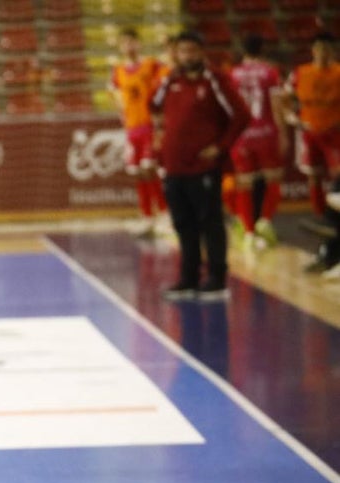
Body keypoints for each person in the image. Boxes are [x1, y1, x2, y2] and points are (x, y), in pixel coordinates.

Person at [151, 29, 250, 301]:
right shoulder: (171, 80)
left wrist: (220, 147)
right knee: (183, 224)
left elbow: (242, 115)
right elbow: (153, 104)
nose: (187, 56)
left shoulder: (215, 79)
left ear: (202, 52)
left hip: (203, 167)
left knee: (210, 222)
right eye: (182, 51)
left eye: (192, 51)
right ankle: (188, 278)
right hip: (174, 167)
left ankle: (217, 279)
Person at [284, 32, 340, 271]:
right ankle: (321, 218)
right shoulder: (301, 72)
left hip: (335, 133)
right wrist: (291, 117)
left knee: (338, 179)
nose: (323, 53)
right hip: (309, 132)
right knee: (314, 176)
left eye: (327, 48)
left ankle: (331, 222)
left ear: (333, 50)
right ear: (313, 50)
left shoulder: (338, 72)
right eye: (319, 48)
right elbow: (284, 97)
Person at [228, 34, 288, 254]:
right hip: (266, 134)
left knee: (244, 183)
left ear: (242, 50)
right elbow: (276, 105)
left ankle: (249, 233)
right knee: (273, 178)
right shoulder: (270, 73)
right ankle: (265, 223)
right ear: (263, 48)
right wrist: (283, 133)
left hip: (241, 137)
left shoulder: (232, 74)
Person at [110, 27, 167, 237]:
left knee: (150, 169)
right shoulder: (118, 71)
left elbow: (166, 83)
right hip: (132, 129)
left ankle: (164, 213)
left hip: (149, 126)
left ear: (139, 43)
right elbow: (115, 94)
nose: (129, 46)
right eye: (125, 43)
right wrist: (122, 114)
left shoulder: (151, 65)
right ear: (120, 47)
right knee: (139, 174)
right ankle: (147, 216)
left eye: (132, 42)